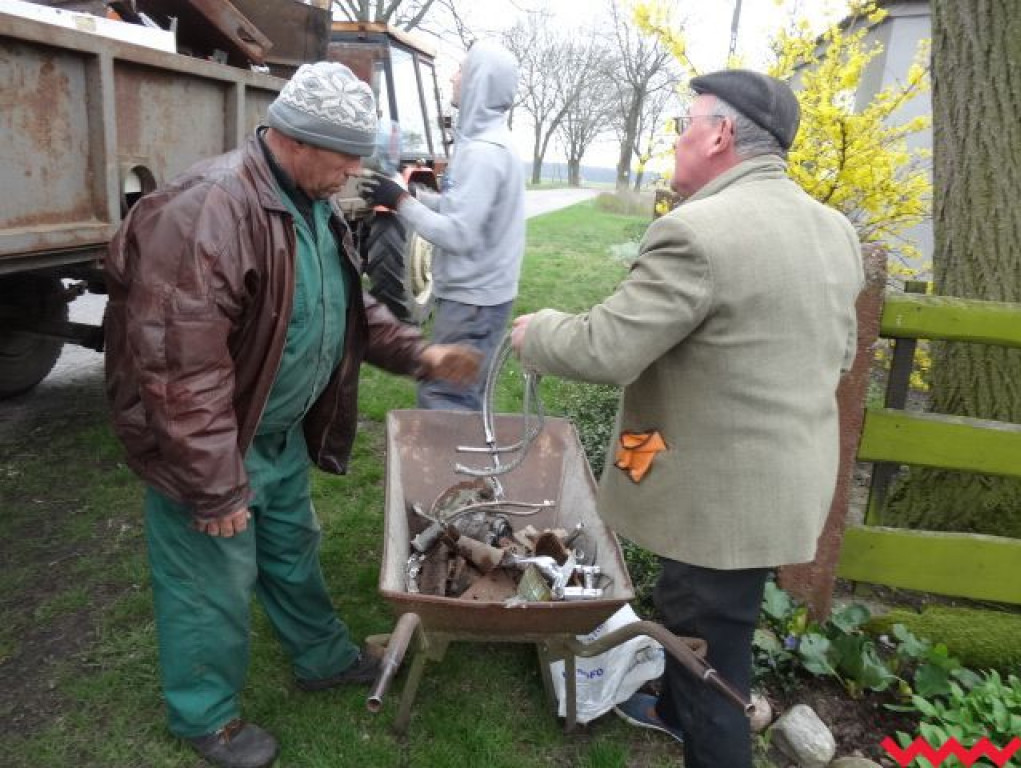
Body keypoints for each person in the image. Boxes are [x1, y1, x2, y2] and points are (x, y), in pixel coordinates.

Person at [103, 61, 480, 768]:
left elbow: (344, 306)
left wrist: (419, 356)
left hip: (271, 435)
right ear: (298, 140)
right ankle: (205, 716)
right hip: (213, 444)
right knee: (209, 586)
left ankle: (322, 659)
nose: (352, 172)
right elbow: (179, 370)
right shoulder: (207, 212)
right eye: (345, 156)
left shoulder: (306, 202)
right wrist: (213, 485)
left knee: (292, 551)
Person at [509, 69, 864, 768]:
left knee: (713, 663)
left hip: (718, 501)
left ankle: (702, 730)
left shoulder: (697, 231)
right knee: (703, 620)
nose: (675, 141)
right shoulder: (834, 230)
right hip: (784, 486)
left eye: (683, 124)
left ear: (721, 133)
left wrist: (538, 331)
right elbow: (842, 354)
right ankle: (669, 707)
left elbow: (608, 348)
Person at [361, 40, 525, 411]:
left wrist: (399, 202)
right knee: (464, 395)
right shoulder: (492, 145)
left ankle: (448, 468)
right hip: (482, 299)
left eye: (462, 70)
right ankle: (470, 464)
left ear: (480, 81)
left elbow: (458, 234)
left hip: (472, 302)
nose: (453, 77)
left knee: (446, 397)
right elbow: (469, 212)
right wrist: (418, 197)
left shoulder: (484, 153)